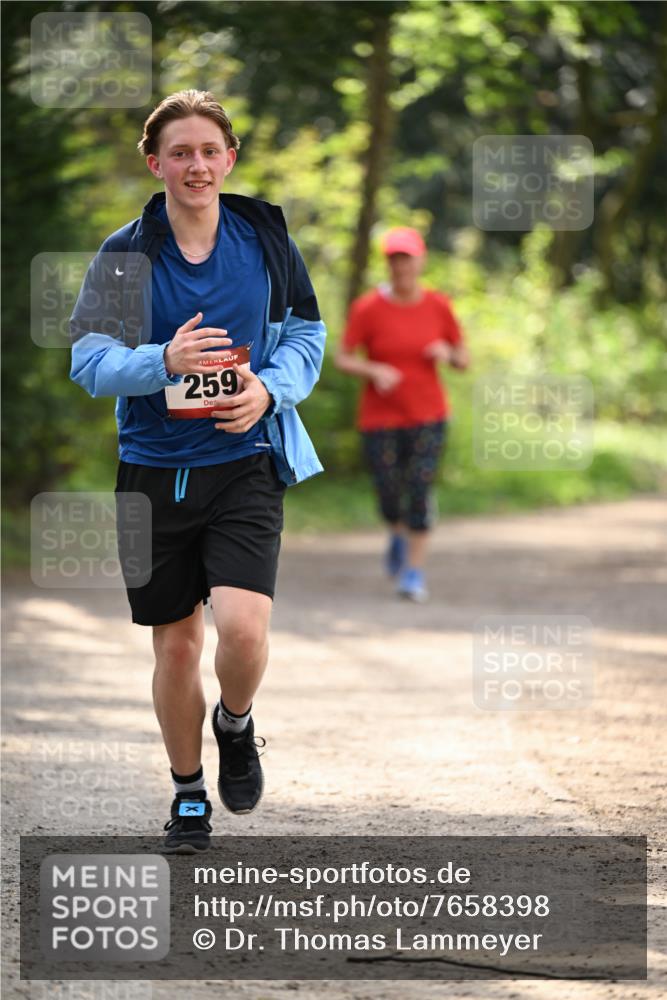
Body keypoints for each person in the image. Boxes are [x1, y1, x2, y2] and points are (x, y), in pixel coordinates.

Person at [69, 90, 326, 852]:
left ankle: (235, 724)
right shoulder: (125, 254)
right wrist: (162, 360)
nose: (197, 165)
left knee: (242, 632)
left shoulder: (265, 239)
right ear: (155, 164)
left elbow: (306, 334)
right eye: (179, 153)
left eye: (210, 151)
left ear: (230, 159)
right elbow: (88, 360)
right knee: (176, 645)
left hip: (244, 462)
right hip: (151, 472)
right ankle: (187, 794)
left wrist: (269, 389)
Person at [335, 227, 468, 602]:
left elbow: (463, 359)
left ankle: (413, 571)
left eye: (407, 258)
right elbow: (343, 357)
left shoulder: (438, 305)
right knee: (389, 492)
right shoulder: (368, 308)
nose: (401, 266)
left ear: (421, 261)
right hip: (380, 418)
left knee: (420, 488)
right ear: (388, 264)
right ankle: (396, 530)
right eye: (394, 259)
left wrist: (447, 352)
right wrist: (374, 370)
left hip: (429, 415)